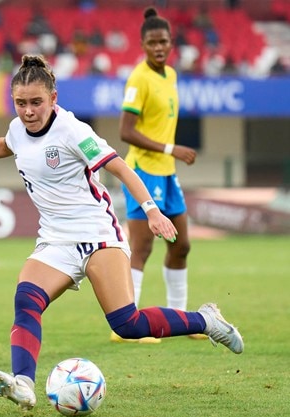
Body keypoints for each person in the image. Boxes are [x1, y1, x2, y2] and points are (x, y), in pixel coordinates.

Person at [0, 54, 243, 413]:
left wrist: (152, 210)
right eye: (20, 103)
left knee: (127, 324)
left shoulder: (73, 131)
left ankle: (205, 320)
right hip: (54, 241)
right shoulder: (18, 128)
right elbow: (7, 144)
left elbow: (121, 169)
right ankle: (23, 383)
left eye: (36, 102)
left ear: (54, 98)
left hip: (98, 236)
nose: (28, 111)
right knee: (26, 302)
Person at [117, 7, 203, 344]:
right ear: (142, 43)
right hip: (143, 169)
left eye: (163, 42)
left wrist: (169, 155)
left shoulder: (170, 75)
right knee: (142, 247)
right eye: (152, 42)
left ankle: (179, 318)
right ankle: (125, 326)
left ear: (171, 43)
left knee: (181, 245)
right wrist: (171, 149)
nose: (158, 47)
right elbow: (125, 131)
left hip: (166, 174)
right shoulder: (139, 78)